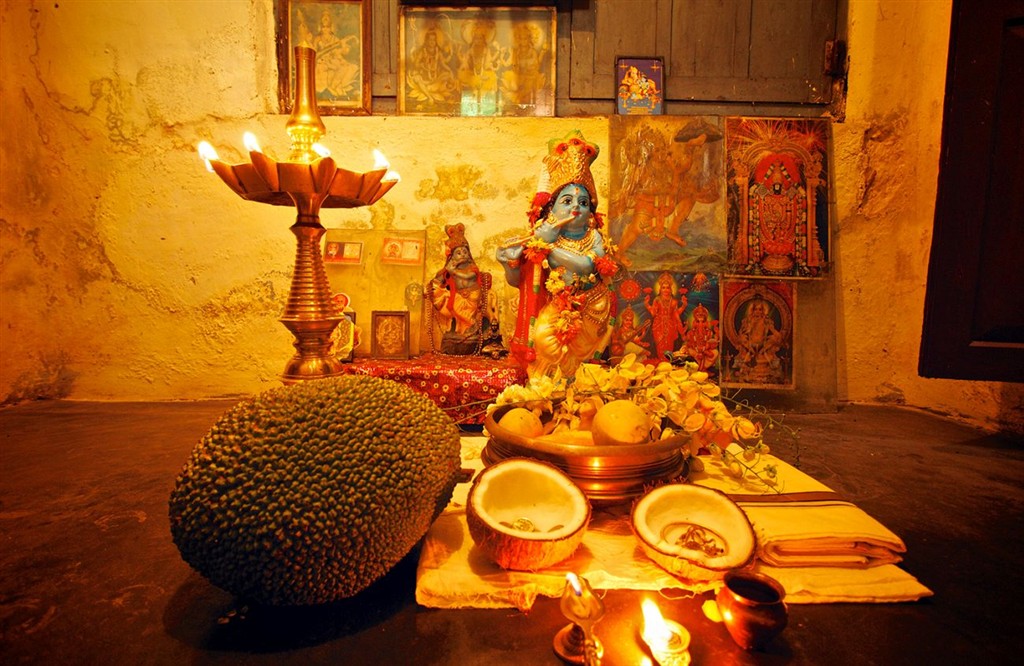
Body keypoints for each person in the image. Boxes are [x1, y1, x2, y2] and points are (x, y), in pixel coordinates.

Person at [497, 130, 618, 377]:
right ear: (551, 210)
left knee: (580, 357)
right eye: (567, 201)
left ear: (591, 212)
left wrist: (548, 246)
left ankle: (574, 384)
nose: (575, 207)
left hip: (592, 305)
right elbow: (518, 282)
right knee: (543, 340)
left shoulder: (593, 237)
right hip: (557, 305)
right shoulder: (541, 237)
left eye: (583, 203)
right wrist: (510, 263)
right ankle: (548, 383)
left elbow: (585, 266)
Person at [428, 224, 488, 355]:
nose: (462, 255)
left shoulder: (472, 267)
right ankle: (462, 330)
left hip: (472, 295)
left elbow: (469, 277)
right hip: (458, 295)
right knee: (454, 308)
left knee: (464, 313)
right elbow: (439, 279)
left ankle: (472, 326)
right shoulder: (450, 268)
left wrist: (453, 271)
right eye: (458, 253)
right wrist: (443, 273)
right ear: (452, 256)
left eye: (465, 252)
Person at [645, 272, 687, 360]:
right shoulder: (657, 300)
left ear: (670, 289)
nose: (665, 290)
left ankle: (667, 364)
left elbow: (676, 316)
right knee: (660, 348)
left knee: (669, 350)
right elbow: (653, 313)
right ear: (660, 289)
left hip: (670, 327)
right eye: (663, 287)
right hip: (658, 326)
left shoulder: (674, 302)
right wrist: (647, 304)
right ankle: (661, 364)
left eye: (667, 288)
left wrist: (683, 306)